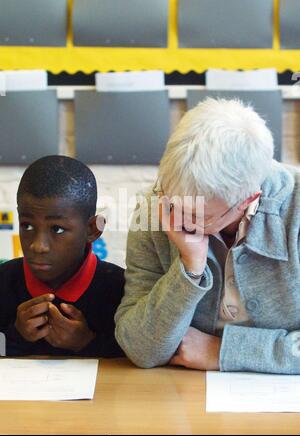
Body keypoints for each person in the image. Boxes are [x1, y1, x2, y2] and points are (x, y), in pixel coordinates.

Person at [115, 97, 300, 374]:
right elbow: (140, 348)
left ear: (248, 199)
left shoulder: (293, 210)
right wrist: (189, 270)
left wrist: (221, 351)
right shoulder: (155, 207)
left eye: (199, 215)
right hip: (184, 398)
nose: (177, 219)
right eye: (169, 197)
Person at [0, 155, 124, 357]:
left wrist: (86, 342)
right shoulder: (4, 281)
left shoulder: (120, 289)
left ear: (92, 229)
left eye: (57, 229)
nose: (38, 246)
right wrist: (16, 335)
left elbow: (139, 358)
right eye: (27, 226)